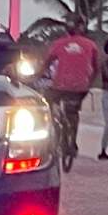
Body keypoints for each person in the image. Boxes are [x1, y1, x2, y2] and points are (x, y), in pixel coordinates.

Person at [43, 17, 100, 156]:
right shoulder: (91, 45)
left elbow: (46, 64)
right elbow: (96, 67)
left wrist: (36, 75)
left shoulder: (59, 43)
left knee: (47, 101)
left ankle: (55, 130)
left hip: (59, 86)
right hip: (80, 88)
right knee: (73, 113)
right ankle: (72, 142)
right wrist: (89, 83)